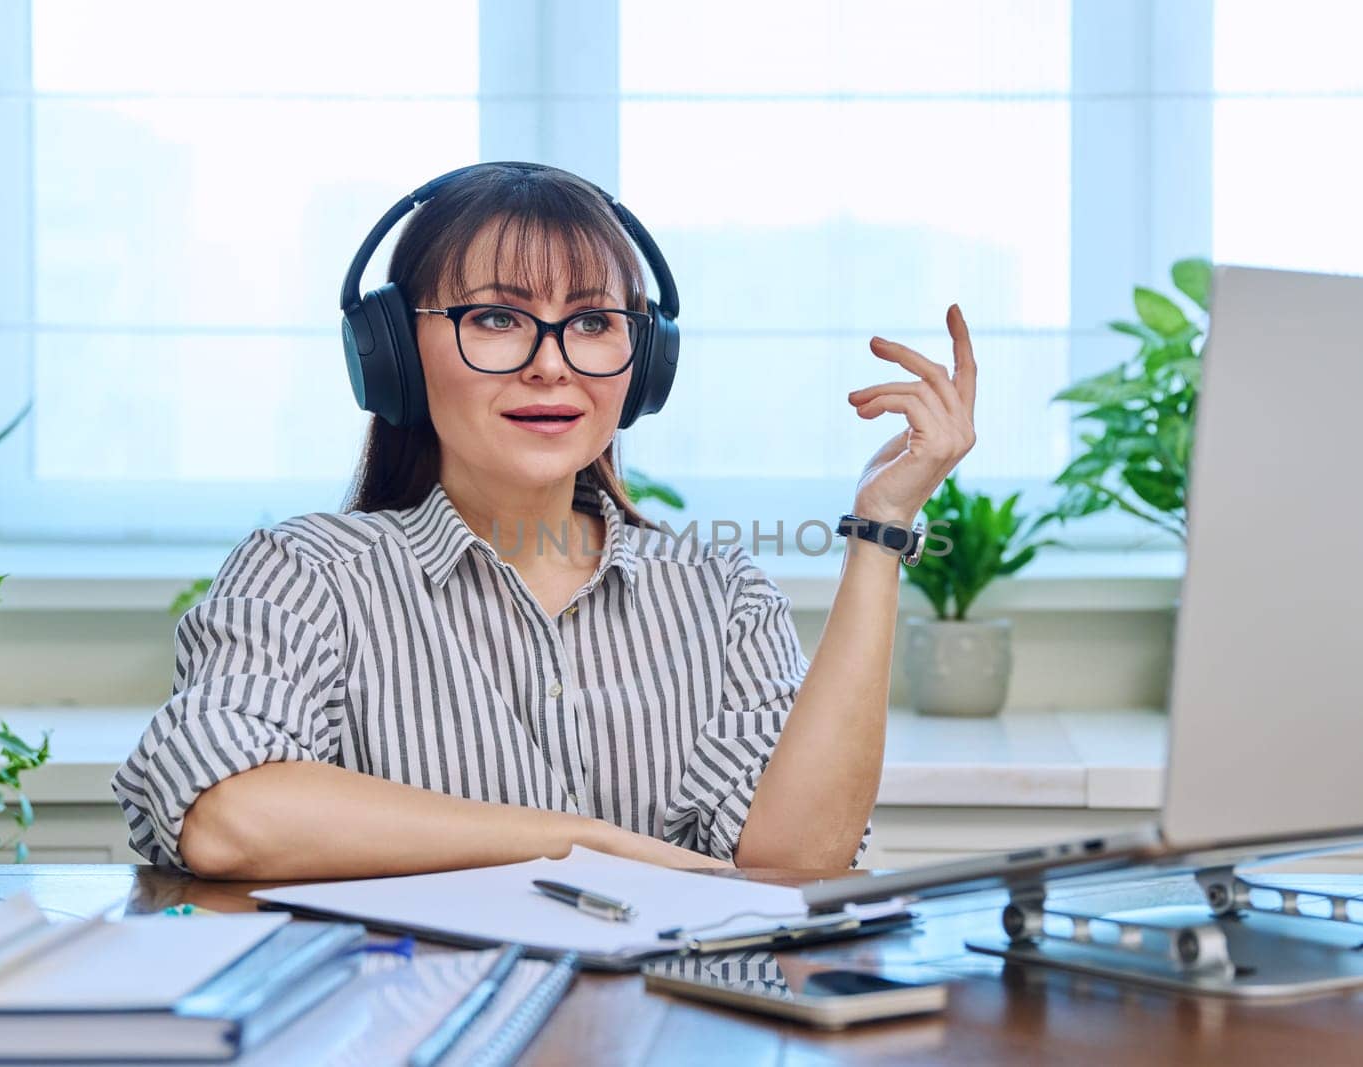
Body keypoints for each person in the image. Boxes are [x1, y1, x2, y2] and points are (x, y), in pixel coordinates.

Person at [111, 162, 978, 880]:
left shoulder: (718, 594)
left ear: (642, 365)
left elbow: (797, 862)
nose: (550, 366)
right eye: (495, 318)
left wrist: (881, 530)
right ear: (392, 353)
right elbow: (228, 815)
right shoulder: (307, 574)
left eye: (593, 323)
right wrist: (576, 841)